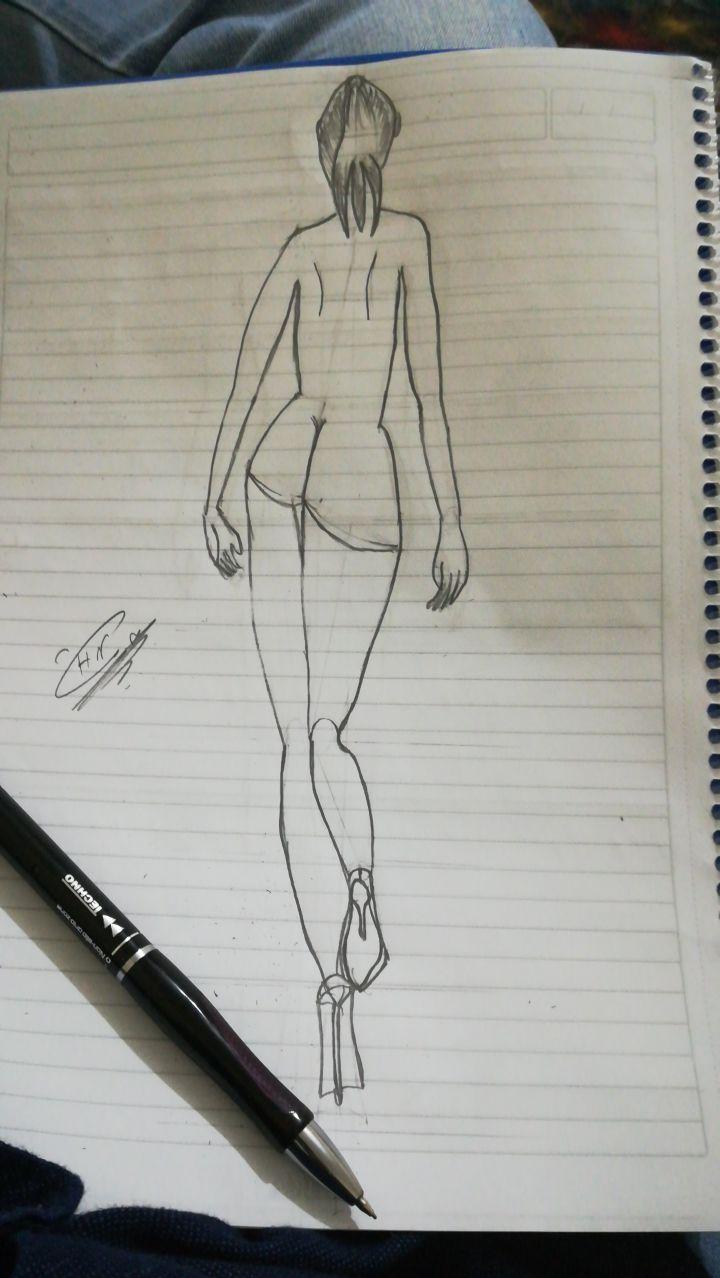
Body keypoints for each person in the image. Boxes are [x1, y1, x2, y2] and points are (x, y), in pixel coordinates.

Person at [204, 73, 468, 1103]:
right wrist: (448, 520)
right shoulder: (407, 242)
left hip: (285, 464)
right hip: (362, 477)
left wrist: (217, 491)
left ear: (324, 154)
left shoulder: (305, 247)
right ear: (384, 152)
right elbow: (427, 393)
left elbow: (248, 377)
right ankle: (360, 883)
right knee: (326, 733)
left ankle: (330, 976)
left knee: (292, 743)